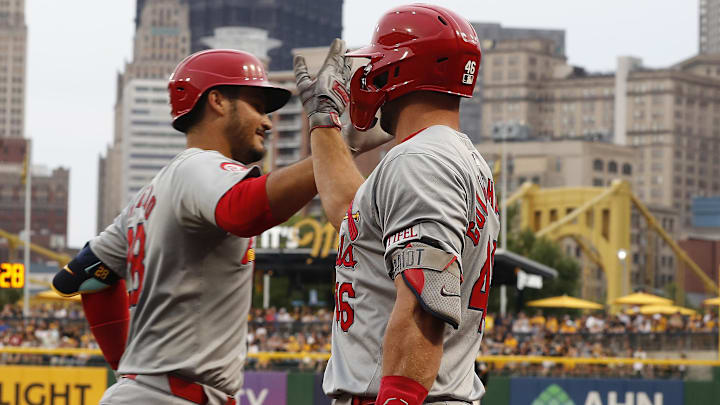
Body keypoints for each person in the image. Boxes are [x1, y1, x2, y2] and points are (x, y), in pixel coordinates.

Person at [51, 48, 390, 404]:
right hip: (171, 396)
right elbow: (243, 211)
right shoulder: (200, 168)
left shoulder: (148, 197)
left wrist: (125, 367)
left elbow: (85, 275)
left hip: (153, 392)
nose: (267, 121)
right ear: (216, 101)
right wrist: (336, 140)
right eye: (256, 105)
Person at [294, 4, 500, 405]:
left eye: (377, 64)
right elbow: (353, 216)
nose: (369, 75)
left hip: (403, 396)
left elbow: (428, 302)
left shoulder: (419, 160)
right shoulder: (453, 156)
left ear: (398, 70)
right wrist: (324, 125)